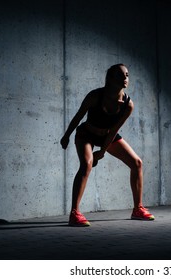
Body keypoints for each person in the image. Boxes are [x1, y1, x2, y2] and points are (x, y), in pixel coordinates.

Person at [60, 63, 155, 226]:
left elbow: (113, 131)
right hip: (86, 134)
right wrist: (67, 135)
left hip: (106, 136)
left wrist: (102, 152)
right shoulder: (95, 96)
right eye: (120, 75)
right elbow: (78, 117)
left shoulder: (127, 105)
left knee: (137, 163)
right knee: (87, 164)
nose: (125, 78)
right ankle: (74, 213)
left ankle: (138, 209)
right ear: (110, 78)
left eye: (127, 75)